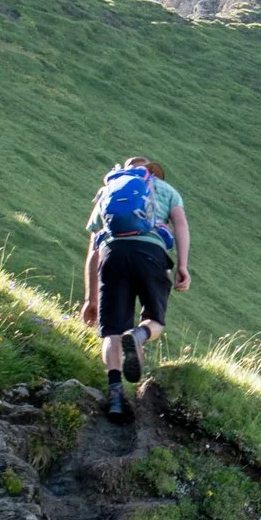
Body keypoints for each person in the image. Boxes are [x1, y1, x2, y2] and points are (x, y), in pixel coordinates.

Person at [80, 155, 192, 421]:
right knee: (155, 321)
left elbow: (93, 251)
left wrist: (90, 299)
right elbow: (181, 224)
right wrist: (183, 266)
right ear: (151, 172)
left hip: (112, 254)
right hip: (150, 253)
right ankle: (140, 335)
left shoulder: (107, 191)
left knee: (112, 331)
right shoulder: (166, 191)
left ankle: (116, 397)